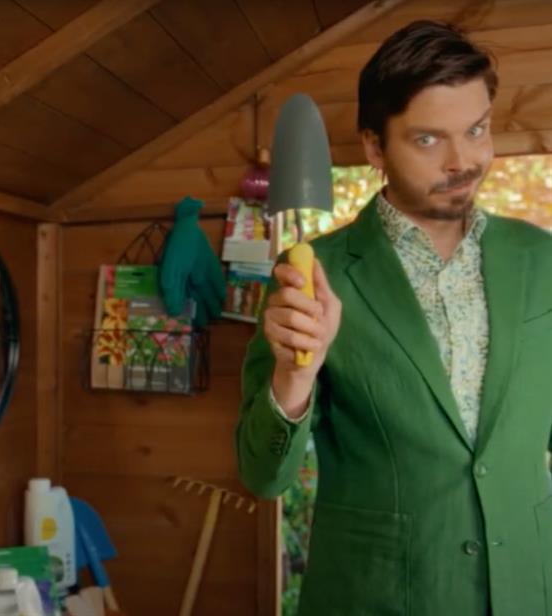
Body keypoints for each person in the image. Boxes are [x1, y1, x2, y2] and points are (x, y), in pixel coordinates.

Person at [236, 20, 552, 615]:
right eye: (429, 140)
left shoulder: (543, 259)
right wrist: (294, 378)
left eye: (477, 130)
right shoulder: (313, 275)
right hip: (378, 596)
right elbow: (262, 476)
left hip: (527, 593)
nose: (464, 161)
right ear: (375, 147)